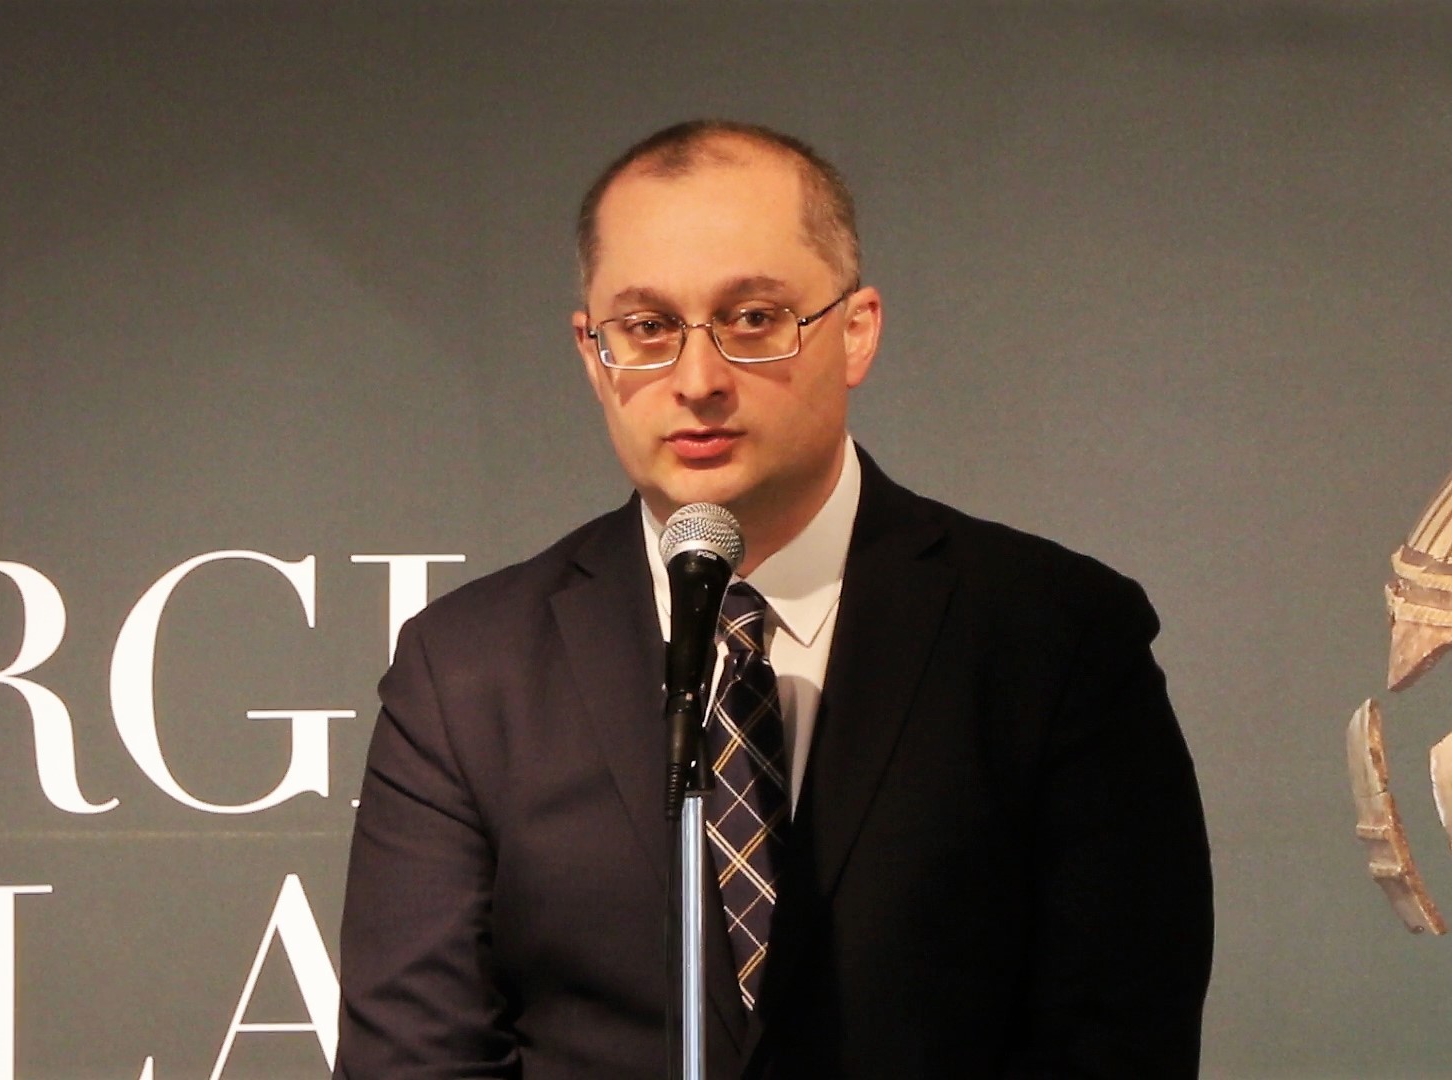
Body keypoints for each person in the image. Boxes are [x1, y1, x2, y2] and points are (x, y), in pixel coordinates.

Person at [335, 119, 1214, 1079]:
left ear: (856, 331)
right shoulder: (468, 672)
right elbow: (414, 1059)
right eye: (647, 328)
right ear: (592, 353)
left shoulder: (1056, 637)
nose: (698, 380)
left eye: (752, 318)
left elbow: (1117, 1040)